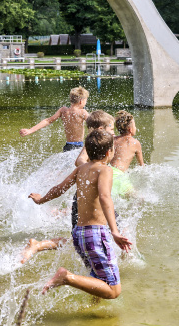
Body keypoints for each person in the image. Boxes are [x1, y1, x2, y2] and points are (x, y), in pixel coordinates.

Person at [30, 129, 133, 299]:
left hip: (79, 234)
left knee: (97, 278)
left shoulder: (81, 169)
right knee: (113, 290)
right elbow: (105, 197)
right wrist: (115, 231)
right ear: (109, 152)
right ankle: (66, 277)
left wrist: (41, 200)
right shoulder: (105, 170)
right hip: (96, 234)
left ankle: (95, 318)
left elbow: (59, 189)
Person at [21, 110, 115, 263]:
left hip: (93, 198)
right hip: (91, 199)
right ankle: (39, 245)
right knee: (89, 236)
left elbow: (61, 187)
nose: (113, 131)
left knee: (82, 237)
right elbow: (79, 161)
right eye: (111, 128)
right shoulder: (92, 147)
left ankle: (40, 245)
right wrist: (94, 170)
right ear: (100, 130)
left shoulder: (105, 146)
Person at [20, 86, 89, 152]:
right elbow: (94, 123)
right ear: (81, 101)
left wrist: (30, 130)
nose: (85, 103)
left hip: (68, 146)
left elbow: (48, 120)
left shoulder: (63, 110)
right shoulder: (82, 112)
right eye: (86, 100)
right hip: (79, 146)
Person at [108, 110, 144, 197]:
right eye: (135, 126)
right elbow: (141, 166)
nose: (136, 128)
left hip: (108, 171)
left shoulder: (112, 139)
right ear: (130, 129)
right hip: (119, 176)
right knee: (140, 198)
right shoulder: (135, 143)